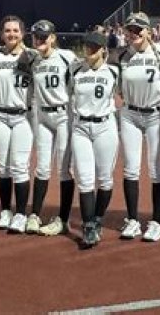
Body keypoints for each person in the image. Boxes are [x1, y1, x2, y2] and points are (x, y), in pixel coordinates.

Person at [17, 20, 77, 235]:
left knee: (63, 169)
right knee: (41, 168)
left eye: (43, 36)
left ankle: (63, 219)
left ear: (52, 37)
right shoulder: (32, 58)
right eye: (36, 36)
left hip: (63, 115)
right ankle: (34, 215)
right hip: (42, 115)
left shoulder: (66, 57)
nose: (39, 40)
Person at [113, 12, 160, 242]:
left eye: (138, 29)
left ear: (148, 31)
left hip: (155, 114)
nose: (134, 33)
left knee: (156, 169)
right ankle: (133, 220)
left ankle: (157, 222)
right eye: (130, 30)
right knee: (130, 169)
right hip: (130, 114)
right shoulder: (122, 55)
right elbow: (118, 86)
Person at [71, 31, 120, 248]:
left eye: (93, 47)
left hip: (105, 126)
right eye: (86, 46)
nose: (88, 50)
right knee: (85, 179)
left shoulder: (114, 71)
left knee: (105, 179)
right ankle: (88, 226)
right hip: (81, 126)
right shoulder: (75, 70)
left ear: (103, 50)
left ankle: (98, 218)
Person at [0, 15, 35, 234]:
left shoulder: (32, 56)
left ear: (22, 33)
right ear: (1, 34)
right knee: (2, 167)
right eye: (7, 30)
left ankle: (21, 214)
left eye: (15, 30)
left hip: (23, 116)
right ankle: (6, 211)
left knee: (19, 166)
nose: (11, 34)